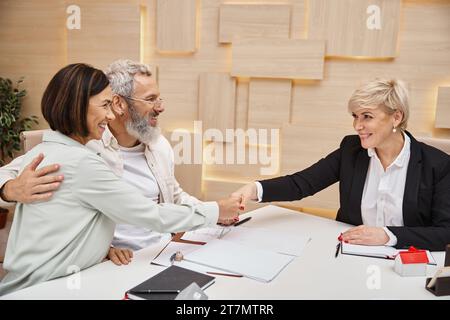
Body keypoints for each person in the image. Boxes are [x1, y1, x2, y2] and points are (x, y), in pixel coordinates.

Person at [0, 63, 240, 296]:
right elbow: (149, 214)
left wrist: (214, 213)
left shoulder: (158, 145)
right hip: (84, 275)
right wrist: (10, 189)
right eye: (150, 99)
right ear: (119, 103)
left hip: (150, 254)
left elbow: (173, 196)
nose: (109, 114)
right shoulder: (85, 156)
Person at [232, 79, 450, 251]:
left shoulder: (438, 165)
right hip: (350, 255)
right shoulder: (351, 150)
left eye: (367, 116)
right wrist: (254, 189)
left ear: (396, 117)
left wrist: (387, 235)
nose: (357, 125)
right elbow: (302, 183)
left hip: (406, 261)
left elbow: (445, 232)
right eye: (355, 116)